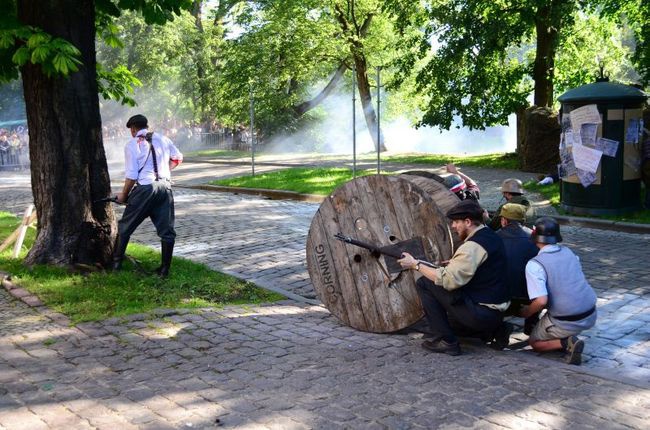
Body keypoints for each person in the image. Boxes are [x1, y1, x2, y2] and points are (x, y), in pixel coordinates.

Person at [398, 199, 512, 356]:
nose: (453, 227)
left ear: (468, 222)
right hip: (496, 312)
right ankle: (495, 330)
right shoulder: (491, 236)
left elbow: (449, 281)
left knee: (425, 283)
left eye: (456, 222)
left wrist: (415, 265)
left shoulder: (472, 246)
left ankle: (446, 341)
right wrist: (455, 263)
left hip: (481, 314)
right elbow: (485, 267)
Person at [112, 114, 183, 278]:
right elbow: (178, 158)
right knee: (167, 231)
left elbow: (131, 176)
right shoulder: (163, 139)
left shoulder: (132, 145)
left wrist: (123, 195)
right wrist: (165, 172)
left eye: (131, 129)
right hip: (165, 188)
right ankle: (164, 270)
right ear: (146, 126)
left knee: (125, 227)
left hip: (145, 189)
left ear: (133, 129)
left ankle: (116, 266)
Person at [520, 217, 597, 365]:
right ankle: (563, 336)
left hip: (567, 318)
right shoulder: (569, 252)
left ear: (535, 237)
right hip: (590, 312)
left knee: (535, 342)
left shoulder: (535, 264)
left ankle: (566, 342)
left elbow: (541, 301)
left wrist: (526, 312)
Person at [495, 203, 539, 333]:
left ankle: (497, 325)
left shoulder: (494, 237)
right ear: (523, 220)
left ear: (504, 220)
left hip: (502, 293)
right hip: (530, 294)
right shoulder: (535, 238)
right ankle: (531, 322)